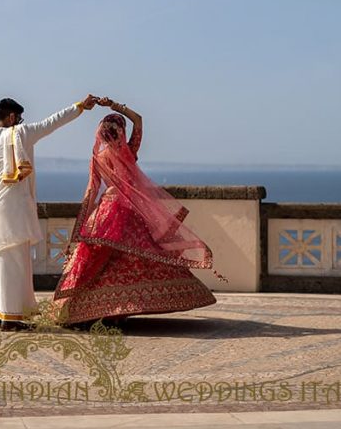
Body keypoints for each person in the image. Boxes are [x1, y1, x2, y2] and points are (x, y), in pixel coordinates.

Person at [52, 97, 221, 326]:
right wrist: (117, 106)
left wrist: (81, 225)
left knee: (102, 260)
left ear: (101, 134)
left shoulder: (97, 158)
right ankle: (119, 309)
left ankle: (94, 309)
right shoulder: (128, 153)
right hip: (129, 211)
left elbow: (91, 191)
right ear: (121, 132)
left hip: (105, 211)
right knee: (136, 256)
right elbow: (139, 121)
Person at [0, 95, 100, 331]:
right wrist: (79, 107)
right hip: (15, 211)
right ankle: (12, 317)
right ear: (12, 117)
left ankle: (0, 313)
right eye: (20, 118)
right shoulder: (21, 134)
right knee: (16, 264)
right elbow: (53, 122)